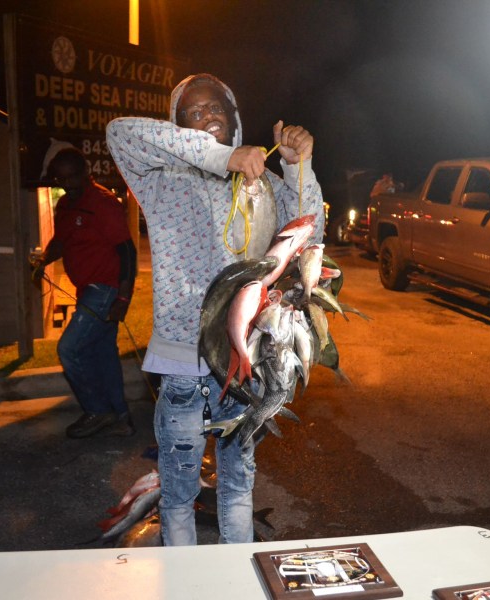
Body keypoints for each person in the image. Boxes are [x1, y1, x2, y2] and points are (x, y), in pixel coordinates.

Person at [106, 73, 324, 545]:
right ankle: (184, 583)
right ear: (178, 124)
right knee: (179, 489)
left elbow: (311, 233)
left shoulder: (263, 178)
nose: (207, 118)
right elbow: (118, 133)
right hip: (182, 361)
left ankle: (235, 581)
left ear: (235, 118)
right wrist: (222, 158)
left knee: (238, 483)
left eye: (216, 109)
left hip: (245, 357)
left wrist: (297, 167)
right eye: (193, 112)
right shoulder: (161, 178)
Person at [33, 147, 137, 439]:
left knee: (69, 349)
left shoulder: (103, 203)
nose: (68, 183)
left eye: (73, 176)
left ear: (86, 173)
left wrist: (123, 299)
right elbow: (62, 242)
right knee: (104, 354)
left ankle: (97, 410)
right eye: (61, 178)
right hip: (86, 290)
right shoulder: (65, 205)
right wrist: (42, 261)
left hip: (104, 290)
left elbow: (127, 252)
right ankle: (121, 418)